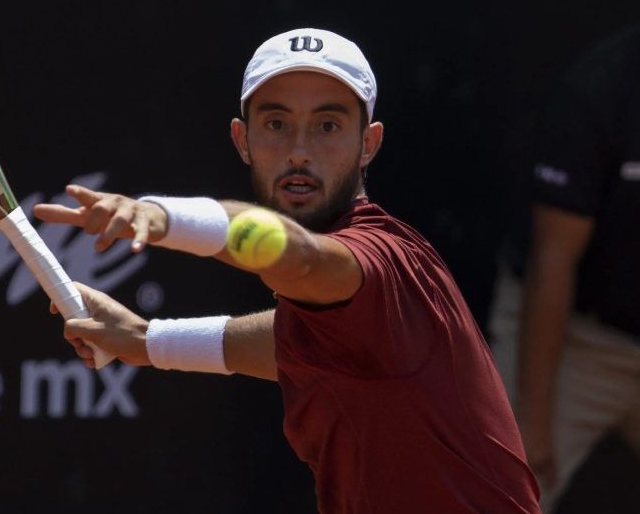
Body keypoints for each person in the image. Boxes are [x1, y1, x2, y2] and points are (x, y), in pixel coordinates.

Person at [34, 28, 541, 513]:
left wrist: (163, 216)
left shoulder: (380, 258)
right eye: (276, 124)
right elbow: (291, 343)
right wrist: (147, 340)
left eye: (327, 126)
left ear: (368, 143)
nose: (299, 152)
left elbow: (297, 256)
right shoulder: (345, 321)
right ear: (242, 140)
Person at [513, 24, 640, 513]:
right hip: (575, 341)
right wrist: (532, 423)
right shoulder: (599, 88)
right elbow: (554, 260)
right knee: (506, 492)